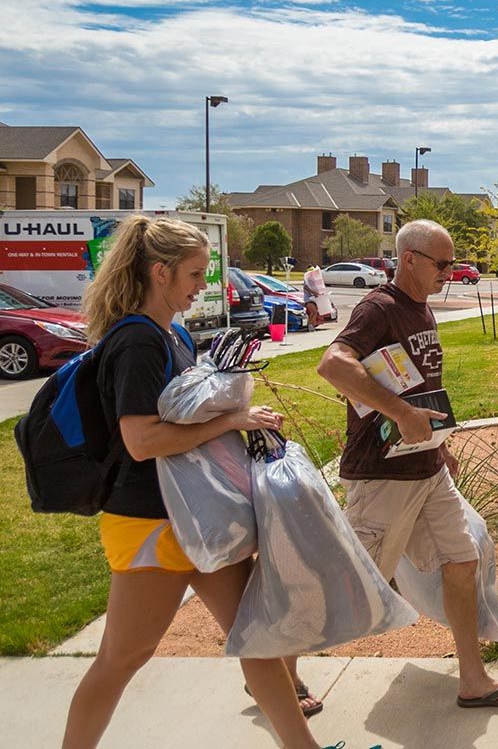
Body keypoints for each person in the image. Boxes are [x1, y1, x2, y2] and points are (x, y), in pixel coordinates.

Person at [61, 216, 336, 749]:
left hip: (198, 513)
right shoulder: (137, 342)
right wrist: (232, 420)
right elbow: (142, 440)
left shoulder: (173, 334)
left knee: (258, 638)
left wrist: (236, 415)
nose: (201, 285)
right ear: (159, 273)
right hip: (151, 522)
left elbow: (186, 418)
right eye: (194, 273)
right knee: (122, 657)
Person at [316, 219, 498, 711]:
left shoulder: (422, 309)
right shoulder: (379, 308)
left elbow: (420, 389)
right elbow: (332, 364)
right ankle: (274, 667)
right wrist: (399, 413)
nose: (450, 272)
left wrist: (440, 446)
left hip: (426, 469)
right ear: (409, 259)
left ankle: (473, 680)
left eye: (453, 263)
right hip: (383, 476)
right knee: (352, 581)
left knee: (462, 560)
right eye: (442, 263)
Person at [302, 264, 335, 331]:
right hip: (309, 299)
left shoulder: (313, 280)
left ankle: (311, 325)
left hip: (315, 299)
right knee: (313, 312)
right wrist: (314, 293)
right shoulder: (307, 279)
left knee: (314, 313)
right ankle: (310, 326)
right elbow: (306, 287)